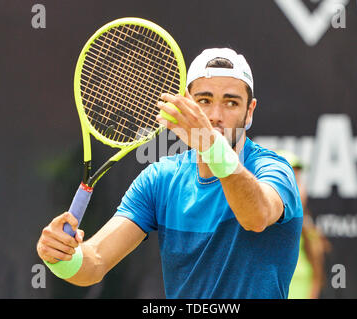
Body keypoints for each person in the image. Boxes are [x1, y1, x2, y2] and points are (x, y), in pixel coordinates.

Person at [37, 48, 303, 299]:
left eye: (231, 103)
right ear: (187, 104)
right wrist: (62, 258)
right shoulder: (160, 180)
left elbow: (256, 216)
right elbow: (95, 262)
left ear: (249, 112)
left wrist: (210, 145)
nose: (215, 115)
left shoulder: (273, 169)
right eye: (204, 101)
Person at [277, 150, 330, 299]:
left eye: (298, 180)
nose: (295, 188)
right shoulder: (254, 232)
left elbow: (316, 282)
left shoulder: (312, 235)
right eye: (287, 181)